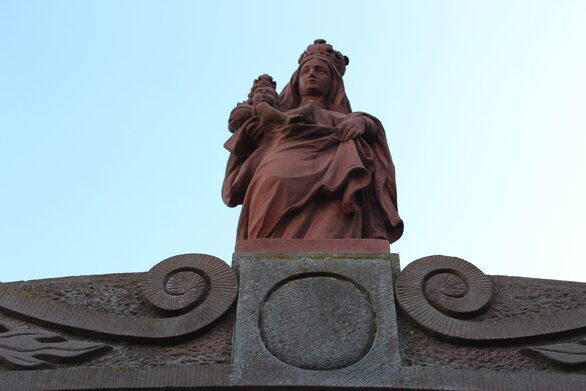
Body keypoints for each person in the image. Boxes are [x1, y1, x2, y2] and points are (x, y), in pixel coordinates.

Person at [222, 40, 403, 243]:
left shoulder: (347, 119)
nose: (312, 74)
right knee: (267, 239)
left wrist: (363, 123)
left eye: (320, 71)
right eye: (306, 70)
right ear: (296, 80)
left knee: (334, 230)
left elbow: (372, 128)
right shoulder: (275, 116)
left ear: (333, 82)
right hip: (277, 174)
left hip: (335, 174)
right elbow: (243, 138)